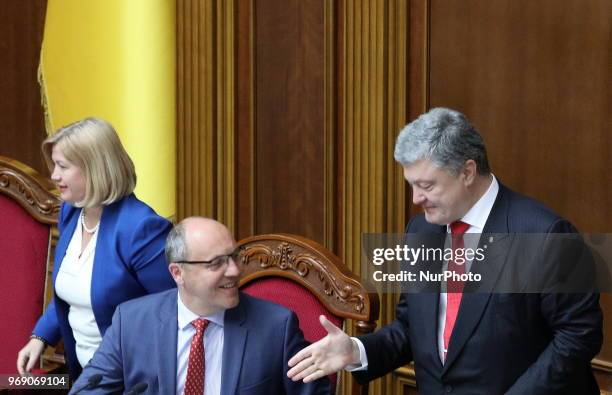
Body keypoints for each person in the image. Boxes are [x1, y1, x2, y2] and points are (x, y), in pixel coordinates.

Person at [287, 108, 603, 394]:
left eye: (426, 186)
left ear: (467, 172)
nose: (415, 198)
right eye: (411, 185)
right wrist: (357, 351)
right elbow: (413, 329)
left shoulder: (544, 235)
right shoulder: (421, 232)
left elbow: (577, 336)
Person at [70, 217, 331, 394]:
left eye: (233, 257)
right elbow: (89, 388)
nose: (233, 271)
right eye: (216, 263)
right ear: (177, 273)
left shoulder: (276, 327)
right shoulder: (131, 321)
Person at [16, 118, 176, 380]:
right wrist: (40, 337)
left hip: (130, 379)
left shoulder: (140, 229)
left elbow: (173, 314)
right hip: (82, 375)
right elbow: (72, 292)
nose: (54, 175)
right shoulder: (71, 212)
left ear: (94, 169)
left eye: (63, 166)